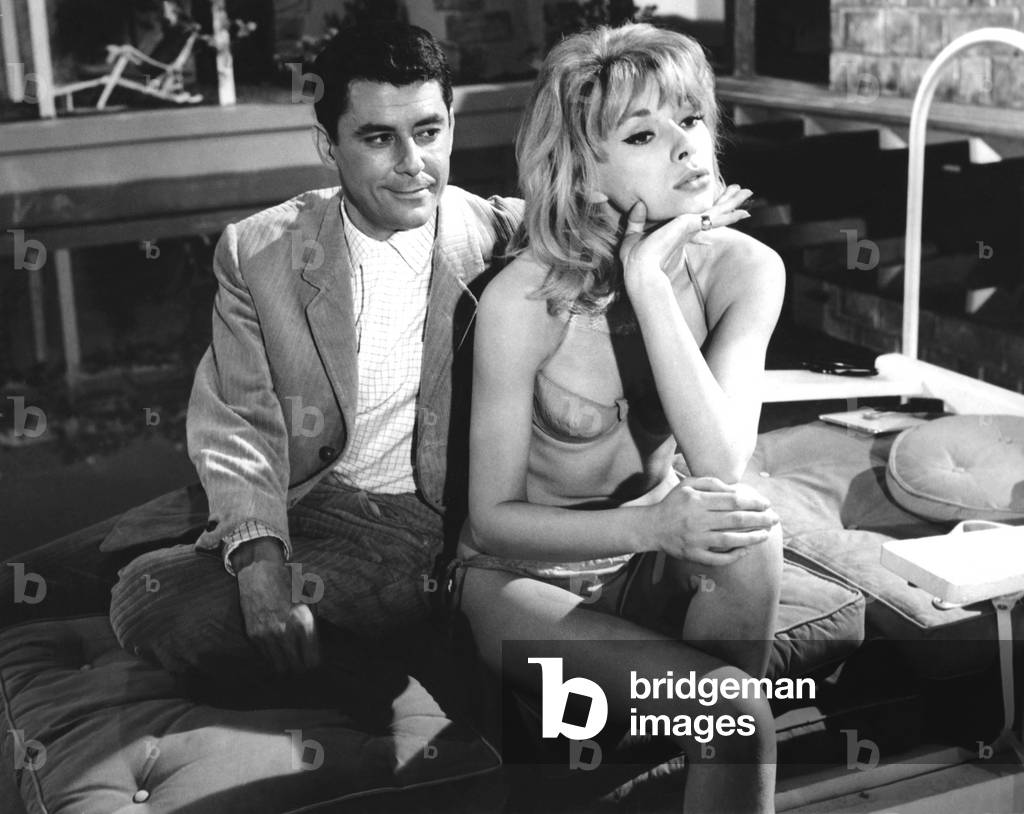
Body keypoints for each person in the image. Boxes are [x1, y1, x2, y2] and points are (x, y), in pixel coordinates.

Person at [104, 21, 522, 682]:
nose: (413, 163)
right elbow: (239, 422)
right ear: (328, 146)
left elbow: (623, 224)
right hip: (304, 496)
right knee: (77, 571)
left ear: (451, 124)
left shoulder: (506, 238)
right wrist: (260, 561)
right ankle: (363, 642)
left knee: (152, 606)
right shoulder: (260, 250)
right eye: (379, 138)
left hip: (421, 529)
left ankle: (399, 640)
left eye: (428, 131)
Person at [453, 23, 784, 813]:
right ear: (584, 169)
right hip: (522, 582)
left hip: (651, 563)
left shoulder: (745, 269)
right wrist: (656, 527)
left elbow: (722, 461)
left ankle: (682, 747)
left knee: (752, 529)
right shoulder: (524, 299)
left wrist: (652, 285)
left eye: (690, 118)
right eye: (642, 134)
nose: (685, 144)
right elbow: (492, 521)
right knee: (737, 715)